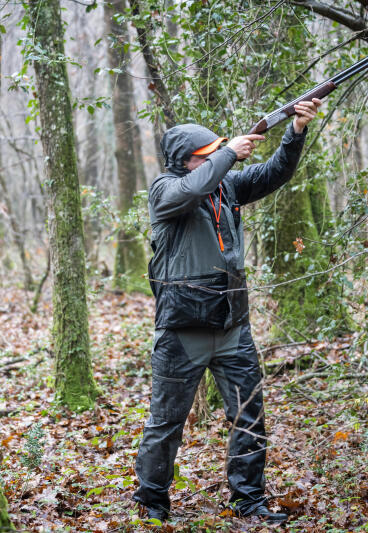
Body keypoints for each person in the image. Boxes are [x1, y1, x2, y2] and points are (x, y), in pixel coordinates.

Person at [133, 98, 323, 524]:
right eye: (208, 153)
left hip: (233, 326)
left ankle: (249, 502)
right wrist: (228, 153)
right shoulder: (167, 190)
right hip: (183, 331)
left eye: (218, 151)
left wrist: (294, 133)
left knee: (249, 417)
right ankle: (151, 504)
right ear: (186, 161)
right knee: (166, 423)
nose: (219, 157)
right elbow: (192, 189)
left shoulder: (227, 187)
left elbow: (275, 173)